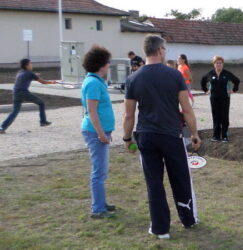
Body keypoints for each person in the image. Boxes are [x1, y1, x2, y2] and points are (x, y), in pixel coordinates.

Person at [123, 35, 201, 239]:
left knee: (154, 183)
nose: (165, 52)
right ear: (159, 50)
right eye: (165, 49)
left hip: (146, 137)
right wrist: (194, 134)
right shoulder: (174, 75)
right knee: (181, 178)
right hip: (171, 135)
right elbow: (186, 109)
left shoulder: (133, 78)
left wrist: (126, 139)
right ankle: (188, 219)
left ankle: (160, 229)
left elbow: (129, 114)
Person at [81, 46, 116, 218]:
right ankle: (98, 209)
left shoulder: (95, 81)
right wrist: (101, 134)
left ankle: (101, 202)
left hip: (100, 132)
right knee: (99, 172)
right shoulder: (93, 83)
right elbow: (92, 111)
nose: (109, 66)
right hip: (95, 133)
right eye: (108, 62)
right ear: (101, 64)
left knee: (101, 171)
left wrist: (106, 131)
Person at [0, 59, 55, 134]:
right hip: (23, 93)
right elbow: (43, 82)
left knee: (14, 112)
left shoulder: (20, 72)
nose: (31, 65)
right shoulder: (30, 73)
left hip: (15, 93)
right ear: (26, 65)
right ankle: (43, 121)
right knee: (41, 103)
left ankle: (2, 128)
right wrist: (52, 82)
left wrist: (35, 75)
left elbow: (28, 76)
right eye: (30, 63)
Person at [200, 56, 240, 143]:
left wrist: (234, 90)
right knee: (216, 117)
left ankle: (225, 136)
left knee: (224, 117)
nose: (219, 64)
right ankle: (216, 136)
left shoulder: (227, 73)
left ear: (223, 64)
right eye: (217, 63)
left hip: (225, 98)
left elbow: (237, 80)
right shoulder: (210, 74)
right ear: (214, 64)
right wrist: (206, 90)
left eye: (220, 63)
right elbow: (203, 80)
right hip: (214, 98)